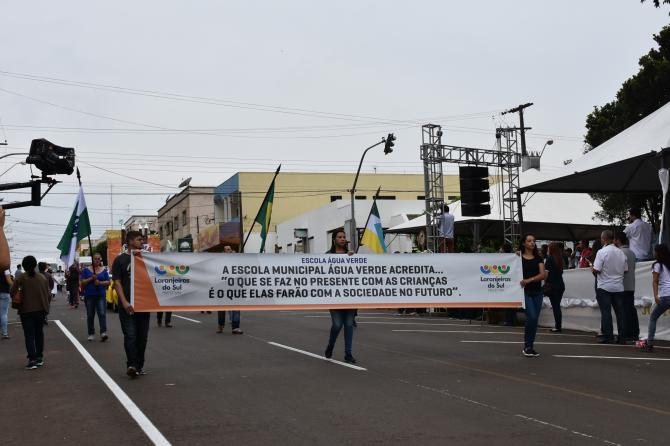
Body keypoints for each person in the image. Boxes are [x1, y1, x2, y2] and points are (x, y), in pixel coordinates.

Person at [112, 231, 150, 378]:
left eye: (142, 239)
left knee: (142, 337)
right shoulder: (120, 260)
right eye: (139, 239)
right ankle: (132, 365)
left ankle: (139, 366)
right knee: (130, 335)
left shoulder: (147, 258)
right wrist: (125, 302)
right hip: (127, 306)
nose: (142, 242)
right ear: (130, 241)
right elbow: (117, 283)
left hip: (144, 305)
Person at [323, 229, 357, 363]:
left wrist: (353, 258)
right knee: (337, 324)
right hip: (334, 296)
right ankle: (330, 345)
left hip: (350, 296)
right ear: (334, 240)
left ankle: (348, 353)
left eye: (344, 237)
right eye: (339, 237)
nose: (342, 239)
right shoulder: (328, 255)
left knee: (348, 324)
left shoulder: (351, 255)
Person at [11, 256, 50, 369]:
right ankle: (39, 358)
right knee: (39, 334)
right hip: (41, 310)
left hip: (26, 310)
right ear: (35, 265)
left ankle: (32, 360)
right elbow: (48, 294)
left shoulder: (21, 278)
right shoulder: (42, 278)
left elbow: (12, 292)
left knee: (29, 336)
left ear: (24, 266)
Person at [592, 230, 628, 344]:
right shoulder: (621, 252)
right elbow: (625, 270)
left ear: (604, 239)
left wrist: (592, 269)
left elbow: (596, 270)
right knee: (620, 313)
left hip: (604, 286)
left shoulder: (602, 252)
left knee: (606, 312)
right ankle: (622, 337)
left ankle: (608, 336)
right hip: (619, 287)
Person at [519, 234, 546, 357]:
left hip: (537, 292)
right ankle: (527, 346)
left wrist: (529, 280)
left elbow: (543, 275)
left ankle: (529, 346)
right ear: (524, 243)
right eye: (529, 241)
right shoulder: (518, 258)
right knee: (532, 317)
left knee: (533, 320)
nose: (532, 243)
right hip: (524, 292)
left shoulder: (538, 258)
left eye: (534, 241)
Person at [641, 244, 670, 351]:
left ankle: (650, 344)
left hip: (666, 296)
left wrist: (656, 295)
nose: (653, 253)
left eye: (655, 251)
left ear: (658, 253)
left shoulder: (657, 265)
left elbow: (655, 281)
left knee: (653, 317)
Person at [614, 231, 639, 342]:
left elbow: (619, 270)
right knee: (631, 310)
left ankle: (624, 334)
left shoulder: (619, 252)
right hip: (631, 285)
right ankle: (634, 333)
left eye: (615, 239)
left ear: (618, 240)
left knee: (622, 311)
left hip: (622, 285)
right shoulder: (632, 253)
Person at [80, 253, 110, 342]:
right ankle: (91, 333)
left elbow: (108, 282)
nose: (97, 260)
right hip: (89, 296)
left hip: (100, 295)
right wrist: (91, 279)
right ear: (92, 260)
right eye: (95, 259)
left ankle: (103, 332)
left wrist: (99, 283)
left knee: (102, 313)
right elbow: (82, 283)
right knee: (90, 315)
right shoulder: (86, 270)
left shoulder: (104, 270)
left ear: (100, 260)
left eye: (98, 259)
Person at [217, 245, 243, 334]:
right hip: (223, 288)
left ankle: (235, 327)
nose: (229, 251)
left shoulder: (235, 261)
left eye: (230, 249)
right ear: (224, 251)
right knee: (221, 308)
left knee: (236, 307)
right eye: (227, 249)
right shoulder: (220, 261)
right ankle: (220, 325)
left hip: (234, 287)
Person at [544, 242, 566, 333]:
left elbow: (546, 274)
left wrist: (545, 282)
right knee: (557, 306)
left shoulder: (549, 259)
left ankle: (558, 326)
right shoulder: (560, 259)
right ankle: (558, 325)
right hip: (560, 285)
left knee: (555, 306)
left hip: (552, 286)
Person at [0, 267, 13, 339]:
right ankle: (4, 333)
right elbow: (9, 282)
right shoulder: (5, 269)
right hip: (4, 292)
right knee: (3, 313)